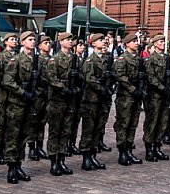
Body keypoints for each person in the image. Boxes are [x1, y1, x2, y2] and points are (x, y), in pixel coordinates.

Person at [2, 31, 40, 184]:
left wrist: (35, 92)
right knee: (13, 136)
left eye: (34, 40)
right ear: (22, 42)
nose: (33, 42)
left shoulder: (36, 60)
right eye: (29, 40)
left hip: (29, 104)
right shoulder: (15, 59)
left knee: (24, 136)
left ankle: (18, 165)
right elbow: (8, 81)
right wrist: (23, 92)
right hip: (17, 103)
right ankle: (11, 167)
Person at [43, 31, 76, 176]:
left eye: (71, 40)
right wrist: (65, 88)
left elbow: (81, 76)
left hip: (70, 100)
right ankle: (53, 161)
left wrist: (75, 87)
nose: (70, 41)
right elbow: (51, 78)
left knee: (66, 131)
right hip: (57, 99)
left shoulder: (74, 59)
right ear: (61, 42)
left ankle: (62, 160)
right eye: (67, 39)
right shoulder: (54, 60)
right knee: (55, 131)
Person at [113, 32, 143, 166]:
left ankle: (129, 150)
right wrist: (133, 89)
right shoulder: (122, 59)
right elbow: (121, 77)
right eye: (133, 41)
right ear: (126, 44)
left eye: (137, 41)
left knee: (133, 124)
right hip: (125, 97)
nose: (136, 43)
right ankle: (122, 152)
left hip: (136, 96)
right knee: (123, 124)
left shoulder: (138, 59)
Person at [80, 33, 108, 170]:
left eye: (103, 40)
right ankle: (86, 158)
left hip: (101, 99)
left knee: (98, 128)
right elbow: (89, 79)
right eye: (100, 40)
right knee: (88, 129)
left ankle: (93, 155)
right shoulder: (90, 60)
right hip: (91, 99)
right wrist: (102, 88)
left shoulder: (104, 60)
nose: (103, 42)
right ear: (93, 43)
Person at [141, 34, 169, 162]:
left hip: (164, 96)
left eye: (164, 41)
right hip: (154, 96)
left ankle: (157, 147)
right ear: (155, 44)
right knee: (152, 122)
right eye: (161, 42)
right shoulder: (150, 59)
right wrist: (162, 88)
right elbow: (150, 77)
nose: (163, 43)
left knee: (162, 122)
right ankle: (149, 149)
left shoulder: (166, 58)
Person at [0, 33, 18, 164]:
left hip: (13, 94)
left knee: (11, 123)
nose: (15, 41)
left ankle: (9, 149)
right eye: (12, 40)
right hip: (3, 94)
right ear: (5, 42)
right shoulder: (1, 57)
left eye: (15, 39)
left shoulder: (17, 57)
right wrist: (3, 83)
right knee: (1, 122)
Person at [27, 34, 52, 161]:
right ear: (39, 46)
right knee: (34, 122)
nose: (48, 45)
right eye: (45, 43)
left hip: (48, 95)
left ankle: (39, 146)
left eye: (49, 43)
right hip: (38, 95)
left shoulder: (51, 59)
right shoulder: (36, 59)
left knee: (42, 122)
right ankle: (32, 148)